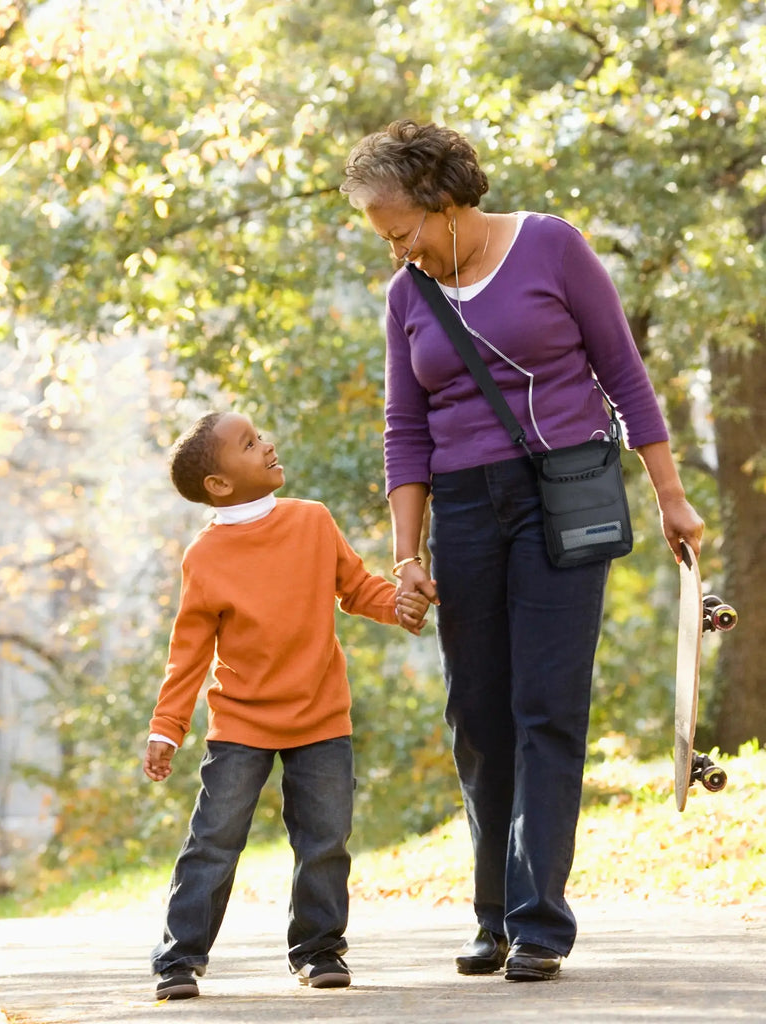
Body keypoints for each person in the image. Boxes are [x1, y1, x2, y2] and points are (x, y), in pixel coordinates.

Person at [340, 120, 704, 982]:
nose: (399, 250)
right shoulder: (407, 295)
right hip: (465, 510)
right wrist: (407, 554)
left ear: (445, 198)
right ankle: (491, 915)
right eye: (384, 238)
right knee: (478, 714)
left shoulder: (550, 247)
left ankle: (540, 921)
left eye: (404, 230)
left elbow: (623, 371)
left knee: (547, 706)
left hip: (562, 493)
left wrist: (671, 495)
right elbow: (404, 431)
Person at [145, 410, 429, 1000]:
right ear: (219, 485)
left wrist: (397, 604)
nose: (267, 444)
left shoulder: (312, 522)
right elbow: (189, 653)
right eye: (250, 444)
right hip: (241, 724)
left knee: (325, 839)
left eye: (260, 436)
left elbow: (356, 588)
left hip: (321, 715)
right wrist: (167, 729)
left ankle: (319, 950)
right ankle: (179, 957)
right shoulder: (206, 557)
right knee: (214, 841)